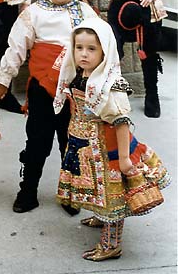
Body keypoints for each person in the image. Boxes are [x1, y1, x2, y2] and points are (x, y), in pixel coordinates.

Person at [0, 0, 97, 213]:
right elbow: (16, 48)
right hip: (42, 89)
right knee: (37, 142)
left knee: (71, 144)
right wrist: (2, 80)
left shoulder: (85, 12)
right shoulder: (34, 13)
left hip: (74, 91)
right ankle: (28, 191)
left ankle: (71, 193)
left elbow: (100, 47)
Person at [54, 17, 170, 261]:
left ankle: (111, 244)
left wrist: (125, 159)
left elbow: (121, 122)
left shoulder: (109, 84)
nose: (83, 54)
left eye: (92, 49)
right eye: (79, 47)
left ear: (105, 51)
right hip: (83, 145)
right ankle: (101, 216)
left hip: (107, 150)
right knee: (97, 191)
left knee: (112, 196)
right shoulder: (79, 76)